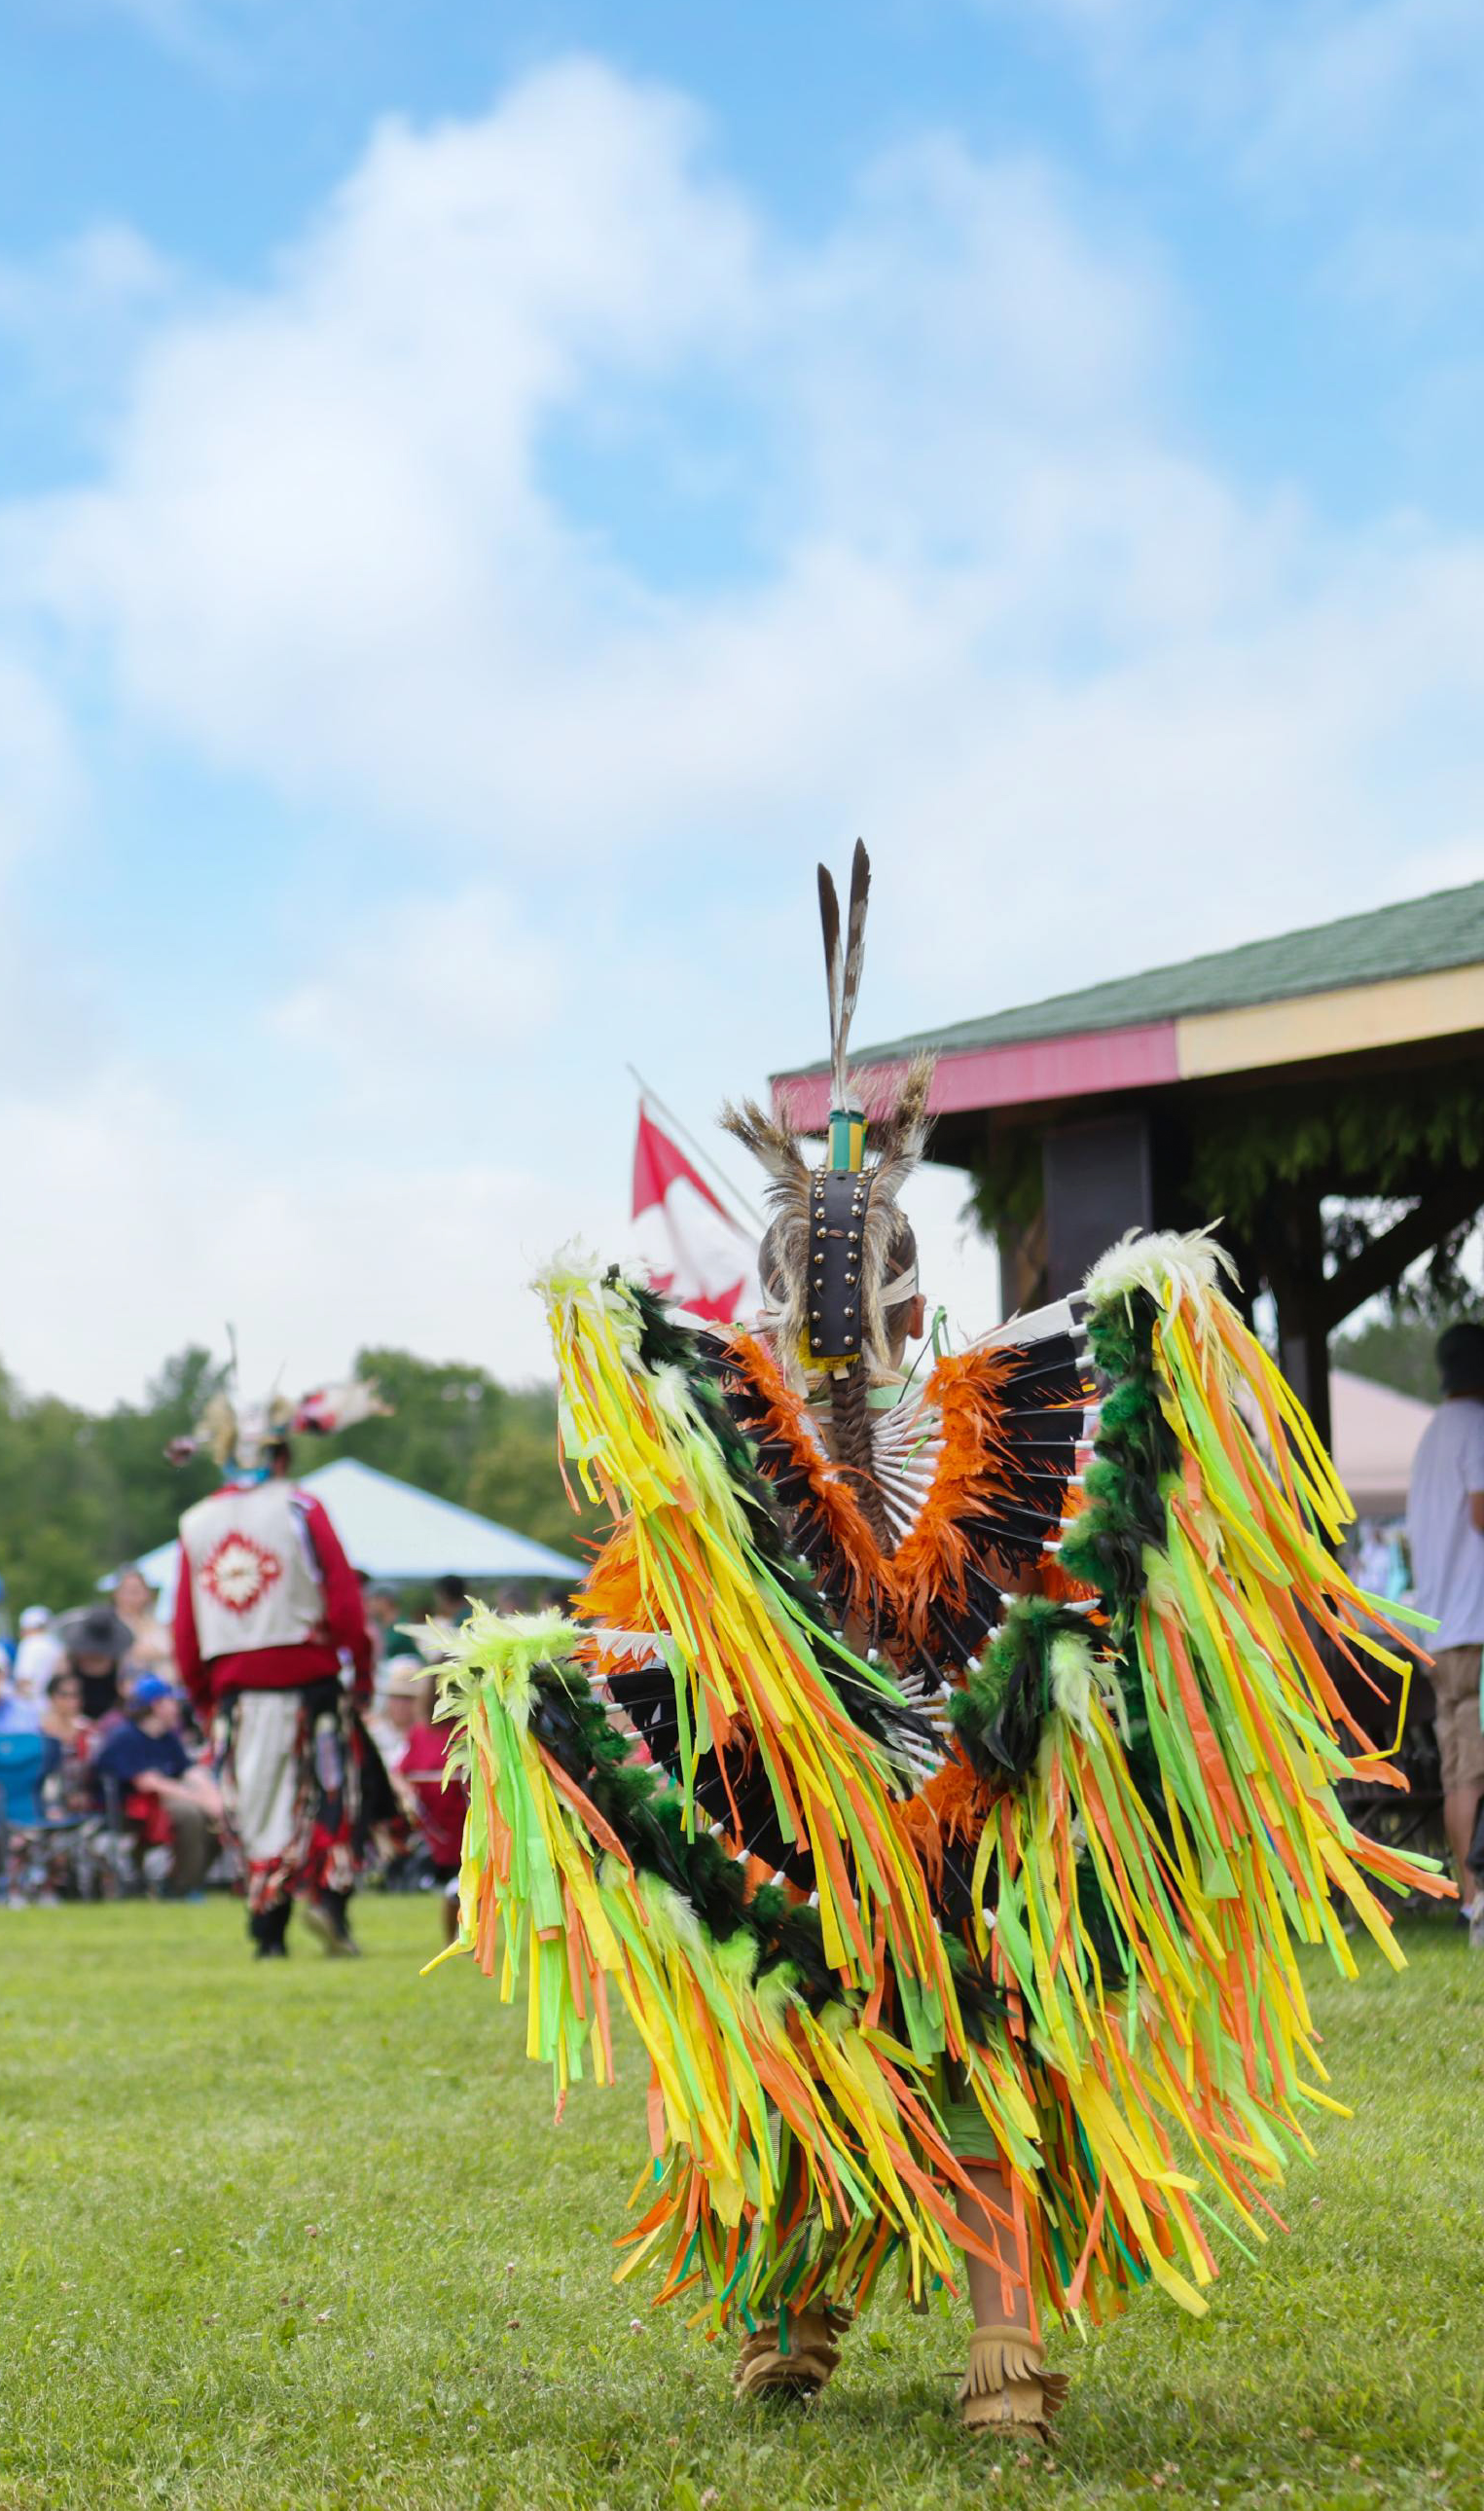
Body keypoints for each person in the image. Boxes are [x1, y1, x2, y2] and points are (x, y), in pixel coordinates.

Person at [432, 843, 1441, 2442]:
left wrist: (1147, 1316)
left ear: (916, 1287)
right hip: (797, 1796)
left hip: (969, 1784)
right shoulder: (718, 1438)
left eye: (883, 1273)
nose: (853, 1304)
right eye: (821, 1278)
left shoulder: (995, 1408)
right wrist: (555, 1672)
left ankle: (1005, 2359)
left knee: (974, 2042)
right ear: (769, 1291)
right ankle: (789, 2314)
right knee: (795, 2049)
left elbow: (1095, 1507)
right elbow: (660, 1606)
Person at [167, 1396, 375, 1960]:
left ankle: (268, 1932)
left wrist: (203, 1695)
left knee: (260, 1804)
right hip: (311, 1684)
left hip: (237, 1691)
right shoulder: (303, 1508)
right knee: (327, 1798)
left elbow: (184, 1626)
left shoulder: (196, 1522)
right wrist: (361, 1671)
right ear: (282, 1453)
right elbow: (345, 1601)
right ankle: (329, 1906)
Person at [1415, 1320, 1484, 1948]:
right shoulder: (1477, 1429)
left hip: (1438, 1630)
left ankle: (1473, 1902)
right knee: (1472, 1770)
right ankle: (1478, 1901)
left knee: (1460, 1769)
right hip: (1475, 1629)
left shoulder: (1430, 1435)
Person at [86, 1679, 217, 1897]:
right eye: (171, 1701)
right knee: (190, 1814)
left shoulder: (167, 1738)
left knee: (214, 1819)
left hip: (160, 1804)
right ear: (156, 1705)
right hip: (127, 1810)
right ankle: (182, 1887)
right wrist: (200, 1799)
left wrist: (214, 1799)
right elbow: (148, 1782)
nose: (177, 1707)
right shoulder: (125, 1737)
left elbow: (190, 1771)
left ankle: (185, 1880)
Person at [372, 1659, 466, 1940]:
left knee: (463, 1883)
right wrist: (407, 1796)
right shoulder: (420, 1734)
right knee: (455, 1885)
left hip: (465, 1816)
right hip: (437, 1821)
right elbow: (400, 1772)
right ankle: (456, 1940)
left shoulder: (469, 1731)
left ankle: (465, 1939)